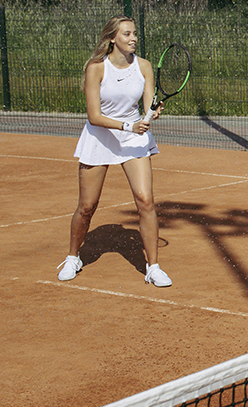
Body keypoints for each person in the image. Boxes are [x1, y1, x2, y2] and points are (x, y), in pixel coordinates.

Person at [58, 16, 171, 287]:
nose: (133, 38)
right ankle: (73, 256)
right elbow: (94, 116)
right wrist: (128, 126)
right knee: (87, 207)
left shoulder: (143, 67)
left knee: (145, 201)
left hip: (133, 140)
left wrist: (151, 114)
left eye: (134, 34)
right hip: (100, 137)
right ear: (112, 38)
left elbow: (147, 107)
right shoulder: (96, 69)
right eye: (126, 34)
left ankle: (153, 267)